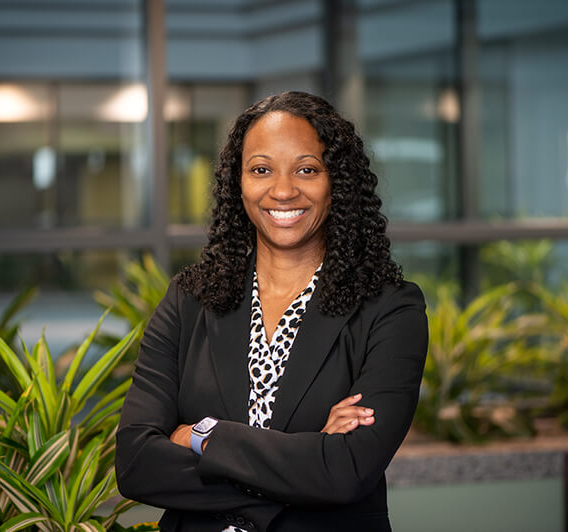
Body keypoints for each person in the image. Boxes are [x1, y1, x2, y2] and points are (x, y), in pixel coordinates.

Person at [115, 91, 428, 532]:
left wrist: (205, 436)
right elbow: (137, 464)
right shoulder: (189, 299)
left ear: (337, 180)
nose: (283, 190)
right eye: (261, 170)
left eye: (307, 169)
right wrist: (310, 453)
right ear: (237, 182)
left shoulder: (390, 309)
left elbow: (347, 471)